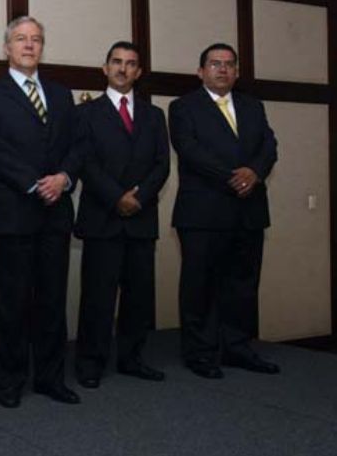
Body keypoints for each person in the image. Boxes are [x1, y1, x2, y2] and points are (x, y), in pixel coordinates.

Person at [0, 15, 81, 407]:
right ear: (7, 48)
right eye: (21, 38)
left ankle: (50, 378)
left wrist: (64, 178)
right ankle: (9, 381)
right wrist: (35, 182)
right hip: (10, 212)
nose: (29, 45)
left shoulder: (62, 94)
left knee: (52, 302)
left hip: (55, 212)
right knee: (10, 303)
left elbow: (78, 144)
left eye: (36, 39)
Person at [170, 43, 279, 379]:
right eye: (215, 63)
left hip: (248, 210)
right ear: (200, 71)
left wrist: (255, 173)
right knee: (200, 286)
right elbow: (190, 150)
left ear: (237, 72)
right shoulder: (183, 107)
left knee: (243, 285)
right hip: (203, 212)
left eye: (229, 64)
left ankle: (237, 347)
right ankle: (200, 353)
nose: (222, 69)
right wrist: (235, 177)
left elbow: (269, 145)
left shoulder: (253, 105)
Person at [73, 41, 169, 389]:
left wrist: (139, 197)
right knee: (97, 297)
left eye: (130, 64)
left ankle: (132, 358)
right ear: (105, 68)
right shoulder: (85, 113)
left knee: (138, 297)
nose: (122, 68)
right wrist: (117, 197)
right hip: (103, 217)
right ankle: (90, 362)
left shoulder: (154, 115)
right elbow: (85, 162)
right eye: (116, 62)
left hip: (141, 218)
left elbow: (162, 164)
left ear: (138, 72)